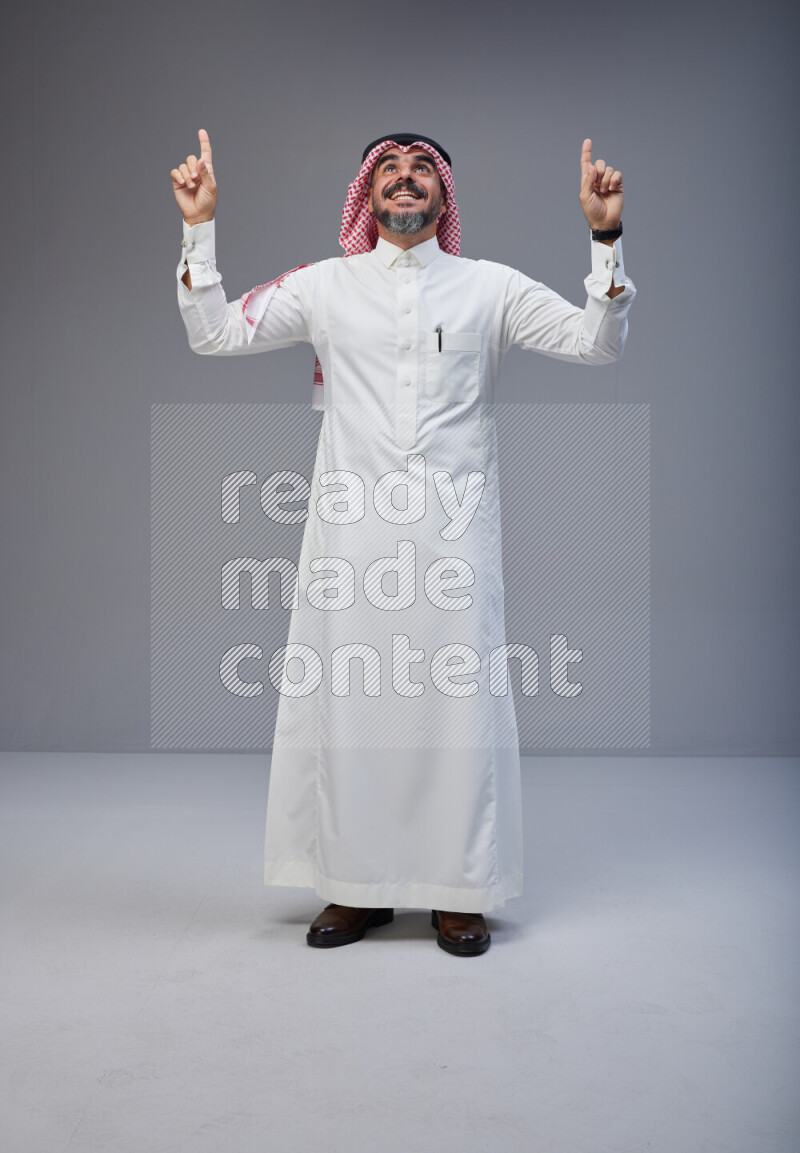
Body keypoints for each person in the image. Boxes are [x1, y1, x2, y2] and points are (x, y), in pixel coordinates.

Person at [172, 129, 636, 957]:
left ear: (444, 195)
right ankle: (356, 889)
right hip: (350, 540)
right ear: (367, 195)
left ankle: (459, 891)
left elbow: (596, 344)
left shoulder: (490, 288)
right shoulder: (325, 286)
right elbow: (215, 333)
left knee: (456, 711)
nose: (405, 179)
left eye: (421, 168)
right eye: (388, 169)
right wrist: (199, 228)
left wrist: (605, 239)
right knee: (351, 709)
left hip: (456, 542)